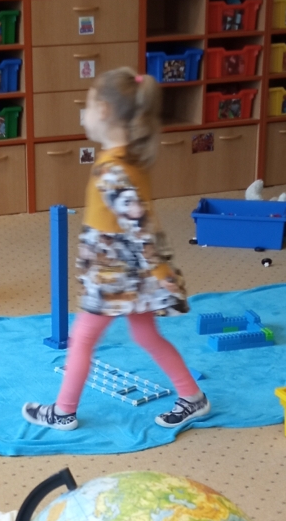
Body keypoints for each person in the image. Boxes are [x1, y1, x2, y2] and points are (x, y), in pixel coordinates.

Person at [23, 69, 209, 433]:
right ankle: (193, 397)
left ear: (105, 111)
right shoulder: (128, 159)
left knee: (83, 339)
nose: (84, 114)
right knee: (146, 335)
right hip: (128, 273)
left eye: (88, 105)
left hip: (114, 275)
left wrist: (162, 273)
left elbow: (139, 225)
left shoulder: (113, 170)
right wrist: (156, 271)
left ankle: (63, 411)